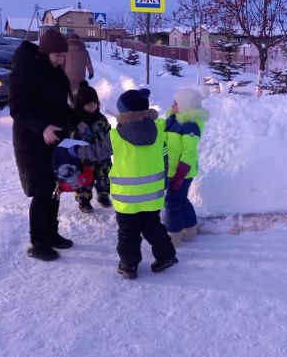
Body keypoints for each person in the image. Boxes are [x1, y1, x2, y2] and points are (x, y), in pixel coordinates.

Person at [72, 89, 178, 279]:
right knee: (153, 226)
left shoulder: (116, 136)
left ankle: (129, 266)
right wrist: (164, 181)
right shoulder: (159, 131)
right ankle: (167, 255)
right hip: (152, 194)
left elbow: (96, 152)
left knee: (128, 233)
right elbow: (164, 158)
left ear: (124, 113)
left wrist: (79, 151)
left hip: (127, 198)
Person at [10, 29, 80, 261]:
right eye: (58, 55)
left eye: (63, 55)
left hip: (54, 140)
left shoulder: (55, 72)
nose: (62, 60)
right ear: (46, 52)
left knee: (54, 188)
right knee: (42, 190)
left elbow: (60, 105)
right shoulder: (25, 72)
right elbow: (18, 110)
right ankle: (38, 241)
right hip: (32, 141)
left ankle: (52, 233)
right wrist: (43, 127)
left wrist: (77, 120)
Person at [164, 87, 210, 246]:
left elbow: (189, 153)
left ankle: (172, 237)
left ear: (185, 106)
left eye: (175, 103)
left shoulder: (190, 126)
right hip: (173, 170)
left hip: (182, 172)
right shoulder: (173, 119)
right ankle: (190, 231)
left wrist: (179, 175)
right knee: (181, 200)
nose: (172, 106)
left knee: (171, 202)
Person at [71, 80, 112, 213]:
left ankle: (103, 195)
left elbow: (109, 132)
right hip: (84, 158)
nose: (92, 106)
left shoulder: (101, 118)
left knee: (103, 176)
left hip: (102, 156)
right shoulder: (76, 121)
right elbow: (70, 139)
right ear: (80, 104)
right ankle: (84, 201)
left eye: (94, 103)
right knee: (84, 181)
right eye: (88, 104)